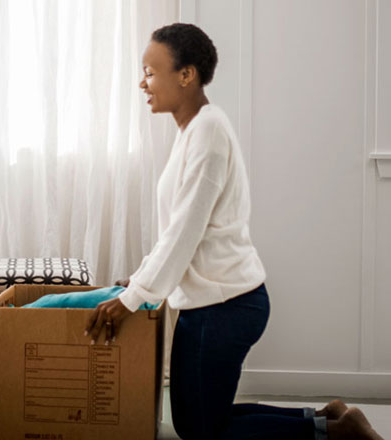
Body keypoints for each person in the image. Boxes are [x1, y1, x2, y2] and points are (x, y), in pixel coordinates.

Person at [84, 23, 383, 440]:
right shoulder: (193, 131)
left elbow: (184, 233)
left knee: (203, 431)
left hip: (224, 307)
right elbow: (178, 230)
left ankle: (336, 433)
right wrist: (137, 280)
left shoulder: (208, 131)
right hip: (213, 304)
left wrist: (132, 299)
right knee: (203, 420)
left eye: (150, 72)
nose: (142, 83)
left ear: (186, 75)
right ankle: (327, 418)